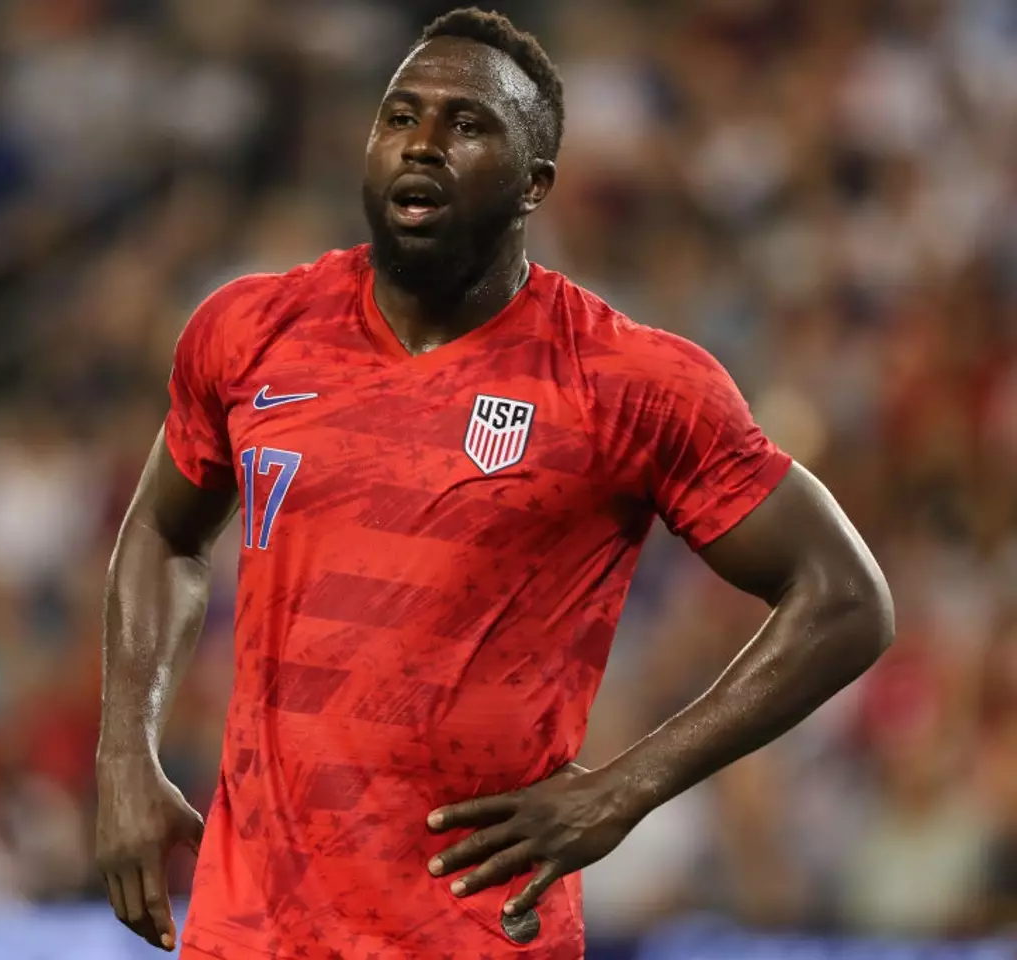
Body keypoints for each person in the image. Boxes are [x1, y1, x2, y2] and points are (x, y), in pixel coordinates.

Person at [95, 8, 895, 958]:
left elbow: (844, 599)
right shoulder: (250, 330)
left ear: (535, 184)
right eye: (400, 116)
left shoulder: (624, 382)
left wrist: (623, 791)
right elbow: (163, 533)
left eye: (468, 125)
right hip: (250, 927)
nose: (422, 145)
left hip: (469, 932)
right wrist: (125, 757)